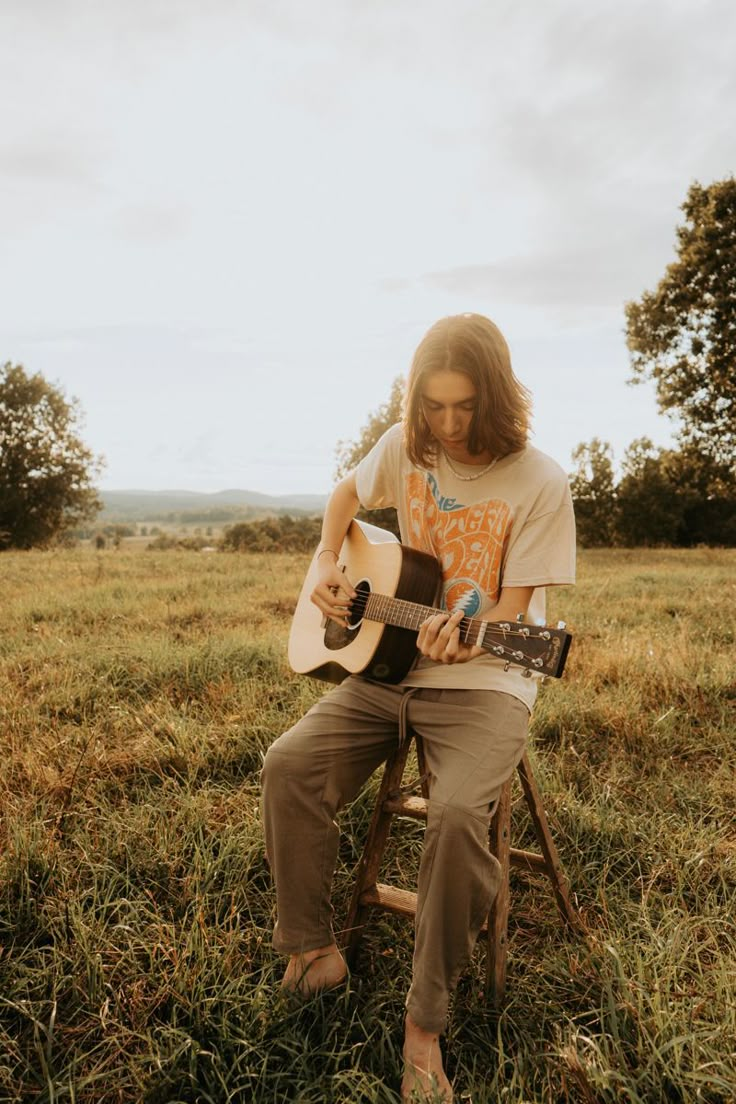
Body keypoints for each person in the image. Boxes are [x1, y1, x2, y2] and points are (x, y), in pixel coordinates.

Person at [260, 312, 576, 1102]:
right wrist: (329, 564)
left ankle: (423, 1025)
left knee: (461, 814)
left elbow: (510, 607)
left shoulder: (540, 479)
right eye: (432, 405)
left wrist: (474, 636)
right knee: (288, 766)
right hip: (386, 668)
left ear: (496, 396)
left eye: (463, 406)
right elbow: (345, 492)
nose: (446, 423)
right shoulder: (407, 445)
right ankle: (310, 952)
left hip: (486, 680)